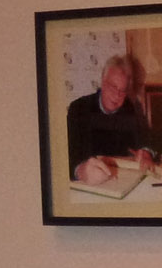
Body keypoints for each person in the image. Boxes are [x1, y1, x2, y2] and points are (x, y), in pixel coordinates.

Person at [67, 55, 156, 184]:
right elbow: (65, 156)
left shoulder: (128, 108)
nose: (117, 95)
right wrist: (81, 171)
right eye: (113, 87)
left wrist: (146, 153)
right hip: (87, 184)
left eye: (122, 90)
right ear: (103, 82)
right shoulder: (79, 108)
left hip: (119, 182)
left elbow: (145, 138)